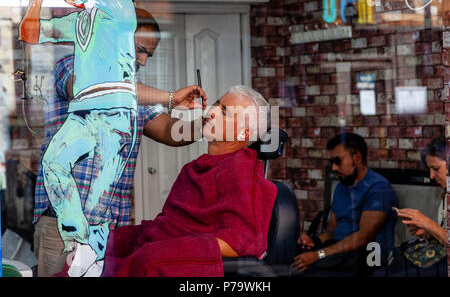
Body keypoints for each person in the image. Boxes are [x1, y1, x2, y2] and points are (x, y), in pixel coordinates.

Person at [32, 7, 206, 276]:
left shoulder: (134, 91)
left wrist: (208, 124)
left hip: (110, 232)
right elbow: (98, 90)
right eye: (140, 49)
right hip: (62, 228)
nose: (143, 61)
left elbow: (170, 131)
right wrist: (170, 98)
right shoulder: (72, 64)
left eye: (149, 53)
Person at [55, 85, 277, 277]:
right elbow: (168, 225)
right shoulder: (194, 168)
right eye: (217, 103)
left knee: (148, 259)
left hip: (175, 257)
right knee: (96, 245)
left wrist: (164, 250)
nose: (212, 112)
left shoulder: (242, 170)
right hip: (163, 242)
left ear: (243, 134)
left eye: (225, 112)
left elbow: (242, 242)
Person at [292, 133, 398, 277]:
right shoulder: (342, 187)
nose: (334, 168)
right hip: (339, 251)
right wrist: (314, 242)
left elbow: (363, 237)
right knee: (292, 258)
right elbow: (331, 232)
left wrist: (318, 255)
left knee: (309, 271)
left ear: (357, 158)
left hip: (367, 255)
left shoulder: (378, 188)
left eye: (338, 161)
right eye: (332, 162)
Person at [373, 136, 447, 277]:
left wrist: (428, 223)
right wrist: (427, 232)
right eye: (429, 169)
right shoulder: (445, 195)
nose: (431, 176)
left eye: (436, 169)